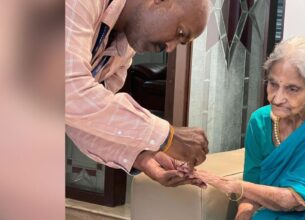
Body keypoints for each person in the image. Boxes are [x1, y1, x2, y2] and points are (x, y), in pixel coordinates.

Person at [65, 0, 211, 187]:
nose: (170, 47)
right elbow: (68, 88)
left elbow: (84, 119)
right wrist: (166, 136)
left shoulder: (123, 53)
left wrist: (142, 155)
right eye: (179, 32)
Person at [194, 37, 305, 219]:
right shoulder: (260, 121)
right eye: (273, 84)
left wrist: (230, 185)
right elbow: (252, 184)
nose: (277, 98)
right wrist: (244, 213)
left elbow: (295, 201)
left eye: (292, 89)